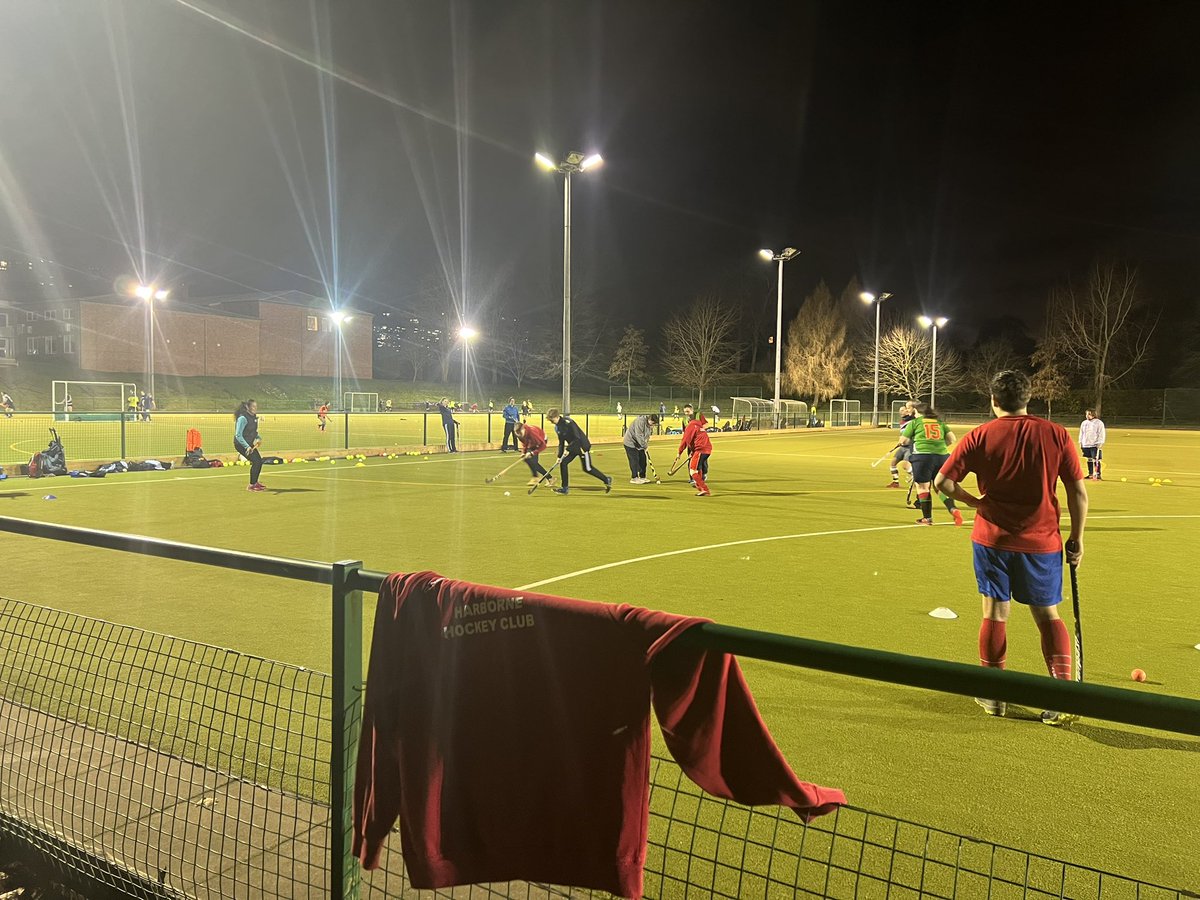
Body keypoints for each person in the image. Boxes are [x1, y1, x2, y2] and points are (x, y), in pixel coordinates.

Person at [935, 370, 1089, 726]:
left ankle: (994, 694)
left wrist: (973, 501)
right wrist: (1077, 538)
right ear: (1028, 398)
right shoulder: (1055, 434)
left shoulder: (979, 436)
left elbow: (942, 481)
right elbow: (1078, 492)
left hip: (993, 540)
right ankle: (1062, 696)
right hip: (1042, 541)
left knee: (994, 612)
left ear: (993, 401)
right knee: (1047, 615)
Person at [900, 401, 962, 526]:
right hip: (943, 457)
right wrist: (939, 446)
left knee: (923, 487)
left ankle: (927, 518)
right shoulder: (940, 423)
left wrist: (907, 441)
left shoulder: (915, 423)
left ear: (919, 412)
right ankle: (953, 509)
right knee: (940, 486)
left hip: (922, 457)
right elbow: (952, 439)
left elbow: (904, 440)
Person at [546, 407, 611, 495]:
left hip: (582, 446)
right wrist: (559, 456)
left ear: (557, 416)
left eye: (552, 420)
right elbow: (561, 442)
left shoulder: (569, 423)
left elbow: (577, 437)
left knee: (587, 468)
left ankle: (606, 479)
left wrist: (568, 449)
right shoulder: (557, 428)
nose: (551, 422)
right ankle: (565, 488)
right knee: (563, 463)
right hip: (573, 448)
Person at [676, 411, 712, 496]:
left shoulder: (691, 426)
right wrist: (692, 452)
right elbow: (697, 439)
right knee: (698, 468)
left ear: (689, 420)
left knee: (692, 471)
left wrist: (679, 452)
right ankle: (700, 487)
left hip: (700, 450)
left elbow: (685, 440)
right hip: (706, 450)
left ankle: (705, 489)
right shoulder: (699, 425)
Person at [233, 399, 266, 492]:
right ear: (248, 407)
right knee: (256, 461)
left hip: (249, 444)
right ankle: (251, 485)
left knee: (259, 461)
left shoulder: (254, 418)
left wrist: (258, 438)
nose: (255, 408)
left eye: (256, 406)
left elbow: (253, 432)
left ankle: (255, 483)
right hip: (240, 444)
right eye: (253, 406)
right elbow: (238, 435)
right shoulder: (242, 418)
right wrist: (247, 447)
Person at [622, 413, 659, 483]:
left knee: (643, 459)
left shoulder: (649, 425)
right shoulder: (640, 421)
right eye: (653, 423)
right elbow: (639, 435)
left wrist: (645, 444)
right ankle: (634, 478)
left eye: (654, 424)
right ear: (649, 419)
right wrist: (644, 445)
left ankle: (642, 477)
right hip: (630, 442)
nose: (653, 425)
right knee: (634, 460)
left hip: (639, 443)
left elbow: (647, 436)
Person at [887, 401, 916, 488]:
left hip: (910, 447)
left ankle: (917, 478)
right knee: (893, 463)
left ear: (908, 411)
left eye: (903, 410)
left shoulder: (913, 421)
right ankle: (895, 482)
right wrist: (901, 442)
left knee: (906, 465)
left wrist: (907, 441)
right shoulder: (902, 422)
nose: (901, 412)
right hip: (903, 447)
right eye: (900, 410)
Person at [514, 420, 553, 486]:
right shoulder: (518, 434)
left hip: (541, 440)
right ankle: (542, 478)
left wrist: (532, 453)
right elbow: (524, 443)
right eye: (518, 434)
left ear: (523, 429)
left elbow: (543, 445)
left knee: (533, 462)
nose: (519, 435)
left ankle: (547, 478)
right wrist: (524, 452)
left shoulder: (532, 433)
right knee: (527, 459)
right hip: (531, 443)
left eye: (520, 433)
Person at [1079, 408, 1105, 480]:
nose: (1087, 416)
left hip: (1094, 444)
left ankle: (1098, 474)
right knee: (1089, 459)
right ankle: (1090, 474)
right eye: (1086, 414)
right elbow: (1081, 433)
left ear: (1093, 415)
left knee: (1096, 459)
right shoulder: (1084, 423)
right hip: (1085, 444)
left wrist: (1100, 442)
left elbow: (1101, 433)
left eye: (1089, 414)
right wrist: (1080, 442)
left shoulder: (1099, 423)